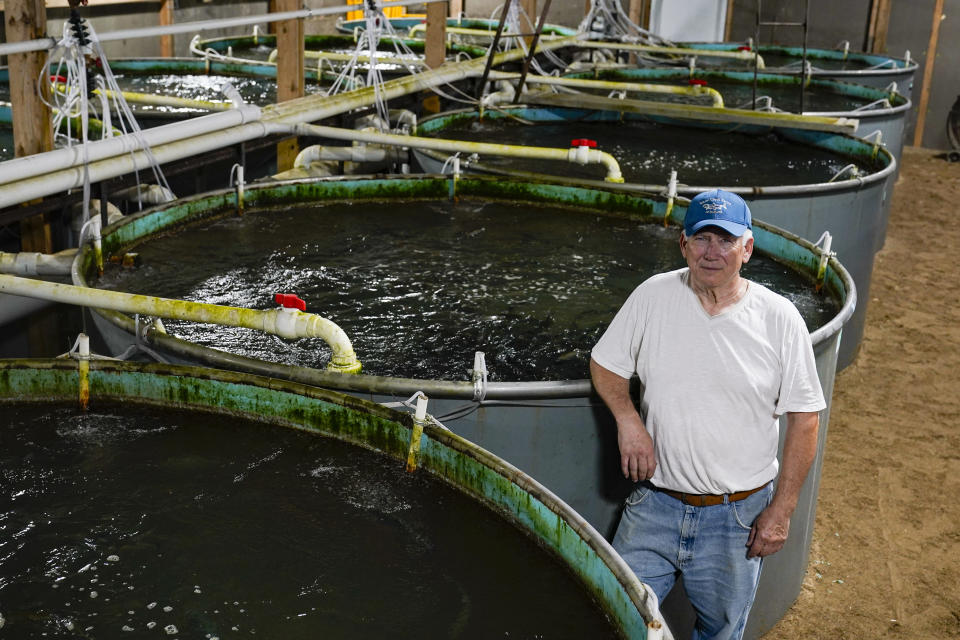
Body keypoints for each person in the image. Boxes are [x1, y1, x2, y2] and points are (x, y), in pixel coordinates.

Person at [589, 189, 825, 640]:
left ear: (748, 248)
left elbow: (805, 419)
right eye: (701, 239)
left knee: (720, 632)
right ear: (684, 244)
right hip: (653, 504)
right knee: (617, 617)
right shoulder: (652, 296)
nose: (711, 252)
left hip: (737, 516)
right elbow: (605, 364)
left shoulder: (779, 318)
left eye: (726, 240)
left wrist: (782, 510)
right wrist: (628, 419)